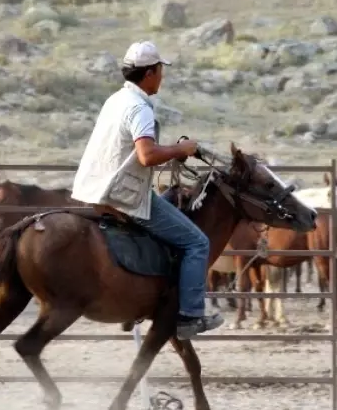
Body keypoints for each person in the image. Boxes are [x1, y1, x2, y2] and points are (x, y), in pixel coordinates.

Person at [71, 40, 224, 340]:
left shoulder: (114, 100)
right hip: (123, 196)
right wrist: (181, 148)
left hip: (95, 189)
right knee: (197, 243)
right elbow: (147, 156)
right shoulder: (140, 108)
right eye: (160, 71)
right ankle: (190, 315)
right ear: (151, 72)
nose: (162, 77)